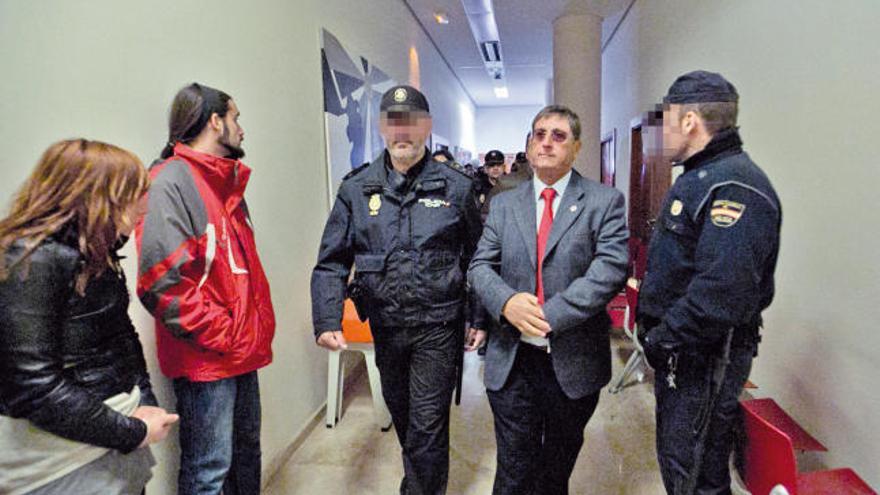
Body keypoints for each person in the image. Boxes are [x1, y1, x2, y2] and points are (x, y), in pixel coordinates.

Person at [311, 84, 485, 494]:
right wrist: (327, 317)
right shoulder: (356, 189)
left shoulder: (456, 188)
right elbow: (331, 260)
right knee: (405, 417)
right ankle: (423, 479)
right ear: (381, 128)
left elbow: (478, 257)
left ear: (426, 128)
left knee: (427, 423)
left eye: (411, 122)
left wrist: (478, 316)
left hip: (438, 325)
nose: (402, 131)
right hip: (386, 325)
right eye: (393, 122)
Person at [0, 139, 178, 494]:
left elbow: (121, 335)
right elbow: (33, 387)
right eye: (133, 194)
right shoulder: (29, 260)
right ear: (96, 196)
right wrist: (134, 431)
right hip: (60, 464)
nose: (144, 207)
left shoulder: (94, 254)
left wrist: (145, 401)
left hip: (108, 442)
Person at [468, 105, 629, 494]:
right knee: (512, 469)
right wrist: (506, 303)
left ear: (576, 147)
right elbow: (479, 267)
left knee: (555, 471)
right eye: (539, 134)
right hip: (512, 359)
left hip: (572, 362)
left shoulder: (603, 202)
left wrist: (546, 315)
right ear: (528, 143)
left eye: (558, 136)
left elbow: (609, 270)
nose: (546, 142)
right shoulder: (505, 204)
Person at [637, 71, 781, 494]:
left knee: (696, 474)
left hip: (705, 357)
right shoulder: (701, 177)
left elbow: (721, 293)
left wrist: (662, 340)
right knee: (683, 464)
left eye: (665, 119)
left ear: (688, 121)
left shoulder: (734, 185)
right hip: (687, 357)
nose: (661, 132)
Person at [136, 83, 276, 495]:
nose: (241, 130)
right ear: (215, 122)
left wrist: (241, 336)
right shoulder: (170, 182)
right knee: (209, 471)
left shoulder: (223, 182)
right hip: (208, 358)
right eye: (236, 118)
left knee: (245, 457)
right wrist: (225, 334)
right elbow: (160, 282)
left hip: (240, 352)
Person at [474, 149, 506, 220]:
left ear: (504, 168)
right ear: (485, 169)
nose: (495, 168)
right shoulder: (477, 189)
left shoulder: (512, 188)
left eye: (499, 165)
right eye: (492, 165)